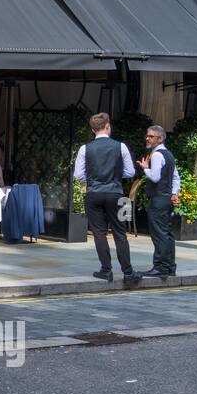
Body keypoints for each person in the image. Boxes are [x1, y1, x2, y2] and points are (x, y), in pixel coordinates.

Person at [74, 112, 142, 286]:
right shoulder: (121, 147)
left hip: (94, 195)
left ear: (92, 129)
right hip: (117, 195)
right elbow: (130, 172)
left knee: (99, 233)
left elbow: (79, 175)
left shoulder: (84, 148)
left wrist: (93, 179)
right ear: (108, 126)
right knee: (120, 233)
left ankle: (106, 270)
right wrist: (115, 177)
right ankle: (128, 272)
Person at [136, 125, 181, 278]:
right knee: (167, 233)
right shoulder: (169, 154)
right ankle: (170, 267)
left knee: (159, 234)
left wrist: (145, 168)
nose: (147, 138)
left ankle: (160, 267)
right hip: (166, 198)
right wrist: (174, 193)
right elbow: (176, 177)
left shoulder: (157, 155)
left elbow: (154, 177)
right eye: (147, 136)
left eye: (151, 136)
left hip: (158, 199)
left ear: (160, 138)